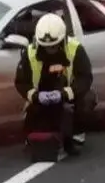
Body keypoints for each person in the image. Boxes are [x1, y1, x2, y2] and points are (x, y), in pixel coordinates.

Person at [15, 13, 94, 156]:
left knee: (88, 98)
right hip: (41, 98)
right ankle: (35, 137)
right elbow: (21, 82)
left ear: (63, 39)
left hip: (68, 96)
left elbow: (85, 78)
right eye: (46, 46)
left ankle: (76, 135)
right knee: (33, 118)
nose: (50, 50)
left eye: (54, 46)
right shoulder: (30, 53)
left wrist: (65, 93)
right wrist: (36, 96)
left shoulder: (75, 49)